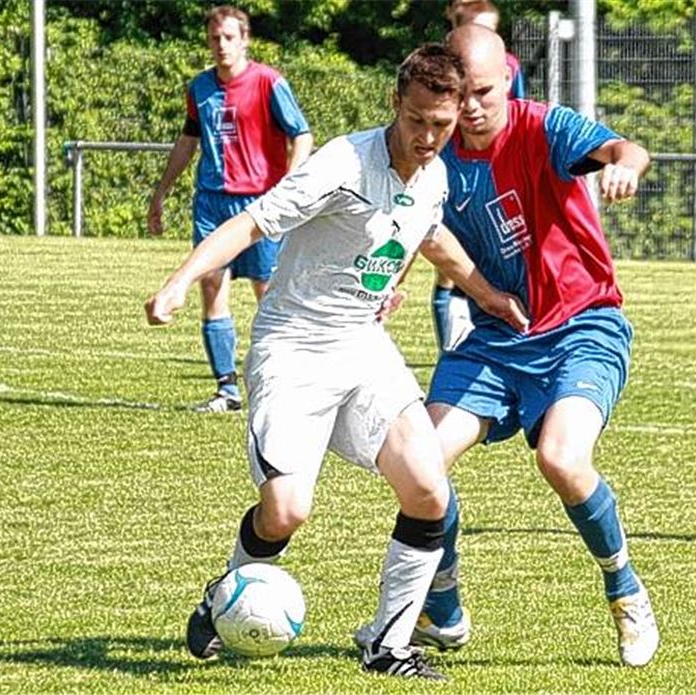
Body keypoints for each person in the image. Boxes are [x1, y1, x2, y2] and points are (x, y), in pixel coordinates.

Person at [145, 44, 525, 680]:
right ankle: (225, 596)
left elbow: (430, 236)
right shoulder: (342, 164)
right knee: (287, 510)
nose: (429, 136)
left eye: (442, 123)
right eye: (417, 121)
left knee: (428, 487)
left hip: (362, 347)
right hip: (293, 347)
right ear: (394, 106)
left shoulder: (435, 174)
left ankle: (388, 642)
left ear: (459, 113)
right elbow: (253, 224)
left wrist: (485, 294)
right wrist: (181, 281)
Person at [381, 24, 660, 668]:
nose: (473, 108)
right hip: (497, 339)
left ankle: (625, 591)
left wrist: (625, 167)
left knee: (561, 460)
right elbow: (417, 230)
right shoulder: (436, 156)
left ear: (506, 80)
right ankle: (443, 609)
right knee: (417, 462)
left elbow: (626, 149)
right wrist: (392, 287)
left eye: (485, 92)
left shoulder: (543, 128)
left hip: (582, 327)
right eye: (463, 95)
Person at [147, 5, 313, 413]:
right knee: (210, 285)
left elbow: (302, 134)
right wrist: (161, 191)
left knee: (268, 293)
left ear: (244, 40)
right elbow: (188, 141)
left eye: (228, 38)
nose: (221, 45)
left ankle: (289, 380)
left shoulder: (268, 83)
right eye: (214, 38)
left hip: (260, 201)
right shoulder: (199, 88)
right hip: (212, 200)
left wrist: (290, 184)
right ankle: (227, 389)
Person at [430, 0, 529, 354]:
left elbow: (515, 112)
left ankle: (512, 329)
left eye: (491, 30)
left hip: (494, 169)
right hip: (454, 174)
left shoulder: (508, 66)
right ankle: (452, 346)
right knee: (447, 265)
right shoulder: (437, 70)